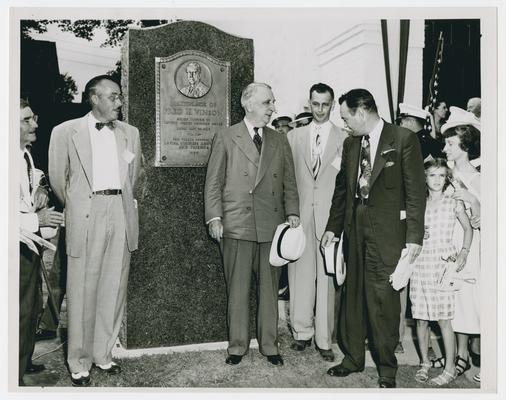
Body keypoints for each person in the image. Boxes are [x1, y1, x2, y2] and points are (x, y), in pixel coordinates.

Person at [321, 88, 426, 388]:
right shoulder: (351, 145)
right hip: (354, 231)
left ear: (362, 112)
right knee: (352, 297)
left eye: (345, 118)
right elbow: (342, 192)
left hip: (388, 235)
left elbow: (416, 194)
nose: (344, 124)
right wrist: (333, 228)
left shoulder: (403, 140)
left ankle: (386, 369)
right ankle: (353, 358)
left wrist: (414, 238)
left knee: (383, 302)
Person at [48, 75, 142, 386]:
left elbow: (135, 176)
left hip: (120, 210)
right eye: (113, 96)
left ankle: (103, 354)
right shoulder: (65, 132)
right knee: (82, 290)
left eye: (119, 96)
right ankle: (79, 360)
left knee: (113, 287)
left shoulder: (131, 133)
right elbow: (59, 182)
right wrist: (78, 208)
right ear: (94, 98)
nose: (119, 102)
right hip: (86, 214)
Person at [204, 82, 300, 366]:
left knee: (270, 290)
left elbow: (289, 181)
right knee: (238, 288)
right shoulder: (225, 136)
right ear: (248, 104)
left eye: (272, 102)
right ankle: (237, 346)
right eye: (267, 103)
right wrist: (214, 217)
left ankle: (269, 345)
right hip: (237, 223)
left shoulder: (279, 139)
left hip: (272, 225)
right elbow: (213, 183)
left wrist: (292, 211)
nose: (273, 108)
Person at [286, 83, 347, 362]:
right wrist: (290, 211)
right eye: (315, 104)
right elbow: (288, 179)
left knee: (326, 276)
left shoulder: (344, 138)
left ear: (332, 105)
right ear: (308, 104)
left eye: (326, 104)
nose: (320, 110)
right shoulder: (294, 137)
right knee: (299, 274)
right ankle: (301, 332)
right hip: (299, 216)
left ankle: (324, 339)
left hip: (329, 218)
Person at [410, 158, 473, 386]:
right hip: (421, 264)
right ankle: (425, 363)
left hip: (443, 263)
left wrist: (464, 252)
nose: (436, 180)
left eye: (440, 175)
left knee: (444, 319)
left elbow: (467, 227)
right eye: (432, 175)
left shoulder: (452, 201)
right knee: (421, 318)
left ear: (446, 178)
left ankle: (449, 367)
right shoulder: (418, 203)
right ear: (424, 178)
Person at [19, 99, 64, 385]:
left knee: (31, 307)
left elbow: (33, 184)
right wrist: (39, 220)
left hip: (28, 244)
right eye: (26, 120)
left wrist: (43, 191)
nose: (35, 123)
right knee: (18, 311)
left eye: (33, 117)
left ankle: (21, 361)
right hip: (15, 245)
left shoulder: (23, 154)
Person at [441, 107, 481, 379]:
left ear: (464, 147)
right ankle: (457, 354)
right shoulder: (443, 174)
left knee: (468, 301)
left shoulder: (479, 178)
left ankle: (470, 355)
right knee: (450, 301)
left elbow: (482, 219)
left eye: (450, 144)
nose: (445, 148)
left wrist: (476, 202)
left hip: (470, 246)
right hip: (445, 242)